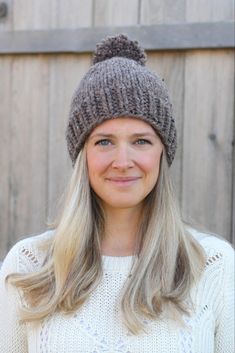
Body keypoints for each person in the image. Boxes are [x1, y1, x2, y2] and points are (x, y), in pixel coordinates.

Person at [0, 34, 234, 353]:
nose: (122, 162)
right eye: (104, 141)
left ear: (162, 153)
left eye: (141, 141)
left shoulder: (213, 265)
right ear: (83, 155)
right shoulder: (29, 266)